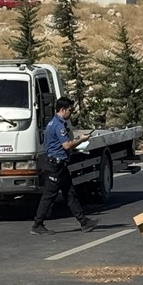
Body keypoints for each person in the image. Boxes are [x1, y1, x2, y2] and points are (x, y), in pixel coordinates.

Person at [31, 97, 99, 235]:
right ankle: (37, 224)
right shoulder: (58, 125)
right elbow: (66, 145)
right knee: (49, 196)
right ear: (62, 109)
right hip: (55, 167)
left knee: (70, 194)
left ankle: (84, 222)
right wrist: (80, 140)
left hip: (59, 165)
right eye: (70, 110)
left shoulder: (52, 123)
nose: (71, 113)